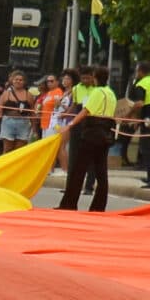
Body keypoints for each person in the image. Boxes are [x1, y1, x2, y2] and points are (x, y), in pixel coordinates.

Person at [57, 67, 119, 211]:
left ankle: (69, 204)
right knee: (101, 171)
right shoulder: (111, 93)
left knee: (79, 169)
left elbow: (86, 110)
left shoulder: (98, 92)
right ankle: (98, 206)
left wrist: (70, 124)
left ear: (95, 78)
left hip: (93, 130)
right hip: (106, 131)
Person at [0, 68, 35, 154]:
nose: (18, 81)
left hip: (23, 123)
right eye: (16, 79)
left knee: (20, 151)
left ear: (24, 82)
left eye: (20, 80)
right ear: (12, 81)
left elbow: (32, 113)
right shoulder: (5, 94)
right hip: (8, 122)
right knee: (7, 149)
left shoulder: (29, 95)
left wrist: (34, 129)